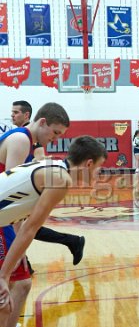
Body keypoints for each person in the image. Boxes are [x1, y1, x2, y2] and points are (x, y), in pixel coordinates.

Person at [0, 135, 106, 327]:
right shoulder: (61, 179)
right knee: (2, 303)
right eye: (98, 169)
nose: (98, 175)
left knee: (6, 304)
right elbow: (30, 228)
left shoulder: (53, 168)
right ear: (88, 163)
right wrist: (4, 274)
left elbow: (22, 220)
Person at [0, 102, 73, 327]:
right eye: (54, 132)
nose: (54, 139)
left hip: (6, 220)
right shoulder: (21, 140)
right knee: (14, 286)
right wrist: (19, 245)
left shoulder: (29, 142)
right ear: (42, 122)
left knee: (21, 284)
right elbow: (11, 196)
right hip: (4, 220)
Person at [10, 100, 85, 266]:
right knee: (30, 227)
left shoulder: (29, 137)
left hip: (23, 191)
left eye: (16, 112)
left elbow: (39, 160)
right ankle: (72, 241)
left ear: (27, 115)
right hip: (16, 196)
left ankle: (71, 241)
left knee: (30, 226)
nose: (12, 115)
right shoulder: (21, 136)